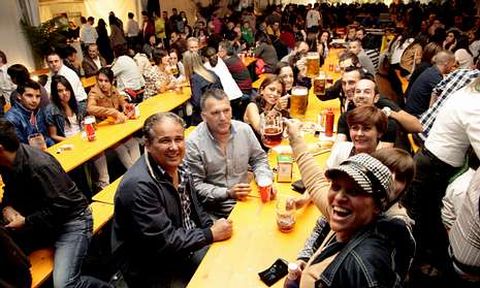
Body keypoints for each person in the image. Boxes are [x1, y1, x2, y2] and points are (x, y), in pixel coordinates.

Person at [284, 120, 415, 287]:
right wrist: (295, 137)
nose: (339, 197)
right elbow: (317, 183)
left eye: (354, 191)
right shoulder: (352, 215)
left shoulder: (367, 261)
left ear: (378, 204)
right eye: (336, 186)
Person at [112, 112, 233, 287]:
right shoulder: (138, 186)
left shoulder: (180, 165)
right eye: (165, 141)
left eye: (179, 139)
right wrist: (210, 234)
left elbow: (195, 207)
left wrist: (210, 229)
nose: (174, 147)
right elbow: (163, 242)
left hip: (188, 243)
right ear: (147, 144)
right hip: (154, 267)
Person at [0, 119, 111, 288]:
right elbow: (10, 188)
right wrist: (7, 206)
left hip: (72, 221)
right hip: (44, 222)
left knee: (65, 285)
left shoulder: (39, 165)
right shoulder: (7, 161)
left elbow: (63, 206)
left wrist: (26, 221)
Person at [403, 77, 480, 277]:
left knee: (425, 219)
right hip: (434, 166)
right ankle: (420, 269)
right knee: (424, 221)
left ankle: (424, 265)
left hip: (430, 160)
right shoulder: (474, 103)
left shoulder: (469, 92)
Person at [185, 89, 273, 218]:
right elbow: (195, 186)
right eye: (215, 113)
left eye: (226, 110)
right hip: (215, 213)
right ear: (204, 116)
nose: (223, 117)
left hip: (247, 201)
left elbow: (259, 159)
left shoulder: (244, 130)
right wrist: (227, 193)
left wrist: (264, 181)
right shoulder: (194, 143)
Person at [46, 75, 110, 190]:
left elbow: (88, 122)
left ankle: (104, 183)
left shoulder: (78, 105)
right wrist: (73, 140)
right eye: (60, 91)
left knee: (99, 150)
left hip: (83, 137)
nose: (65, 93)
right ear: (55, 93)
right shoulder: (51, 110)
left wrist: (90, 129)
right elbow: (53, 135)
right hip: (68, 143)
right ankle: (90, 188)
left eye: (67, 89)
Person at [87, 67, 141, 170]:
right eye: (100, 80)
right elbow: (90, 108)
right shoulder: (94, 92)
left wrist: (126, 106)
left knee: (133, 143)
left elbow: (121, 101)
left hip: (115, 126)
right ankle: (134, 173)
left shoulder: (113, 89)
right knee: (121, 149)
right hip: (103, 129)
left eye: (106, 81)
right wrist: (113, 112)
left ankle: (138, 170)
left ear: (112, 82)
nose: (103, 83)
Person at [405, 50, 457, 117]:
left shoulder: (431, 71)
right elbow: (449, 95)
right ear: (446, 63)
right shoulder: (435, 77)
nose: (453, 67)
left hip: (411, 109)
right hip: (415, 115)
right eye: (453, 64)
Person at [5, 79, 54, 147]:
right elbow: (20, 149)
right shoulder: (11, 119)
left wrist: (55, 148)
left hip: (43, 153)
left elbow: (45, 137)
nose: (34, 100)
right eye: (29, 95)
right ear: (19, 96)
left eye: (37, 96)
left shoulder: (37, 111)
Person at [203, 47, 246, 120]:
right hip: (237, 94)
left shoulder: (206, 66)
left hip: (227, 98)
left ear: (205, 58)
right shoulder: (220, 61)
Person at [182, 50, 222, 125]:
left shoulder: (195, 78)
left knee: (188, 119)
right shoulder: (211, 72)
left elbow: (197, 103)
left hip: (207, 115)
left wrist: (190, 99)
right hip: (219, 107)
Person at [0, 51, 16, 116]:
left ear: (1, 58)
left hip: (15, 102)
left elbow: (16, 87)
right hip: (5, 104)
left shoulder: (10, 70)